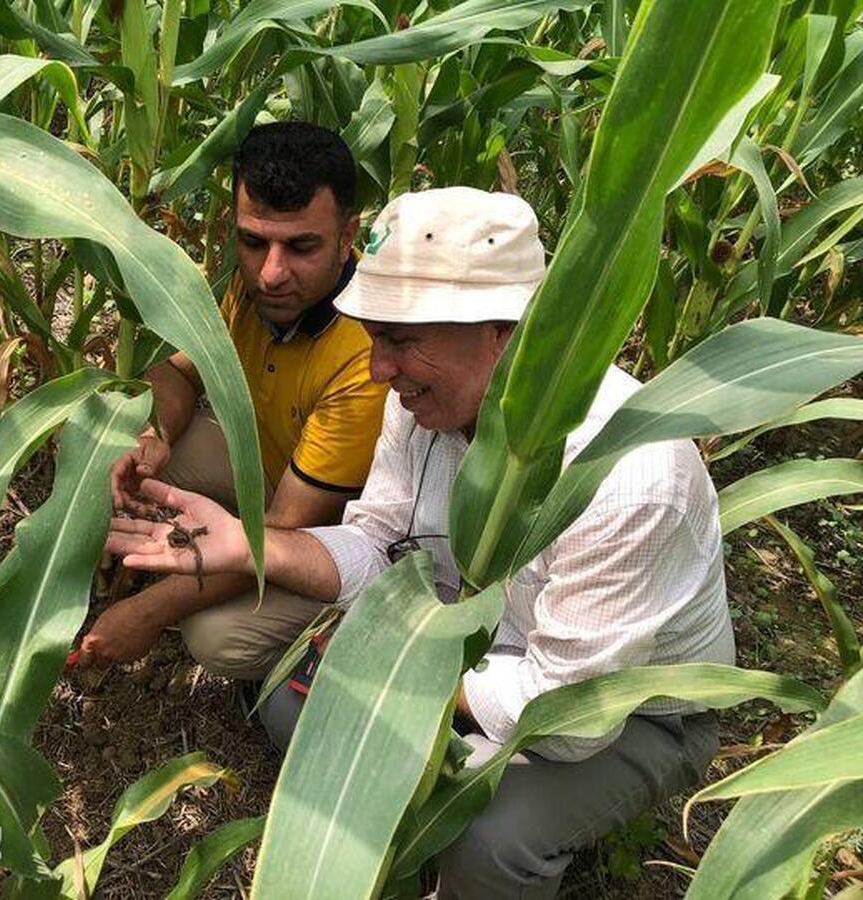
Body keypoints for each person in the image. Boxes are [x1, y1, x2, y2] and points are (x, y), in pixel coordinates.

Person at [104, 186, 735, 898]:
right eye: (375, 337)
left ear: (508, 332)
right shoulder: (425, 409)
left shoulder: (630, 475)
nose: (379, 370)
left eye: (402, 340)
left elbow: (568, 722)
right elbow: (378, 546)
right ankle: (403, 825)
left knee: (486, 836)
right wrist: (252, 546)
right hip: (474, 646)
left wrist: (400, 678)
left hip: (625, 713)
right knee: (288, 700)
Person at [73, 122, 389, 678]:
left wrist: (147, 612)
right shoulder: (257, 287)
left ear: (347, 236)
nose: (271, 273)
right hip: (268, 473)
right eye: (253, 241)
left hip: (325, 535)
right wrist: (155, 438)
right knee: (110, 450)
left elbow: (280, 535)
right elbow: (178, 374)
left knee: (215, 638)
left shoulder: (363, 356)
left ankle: (333, 641)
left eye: (301, 246)